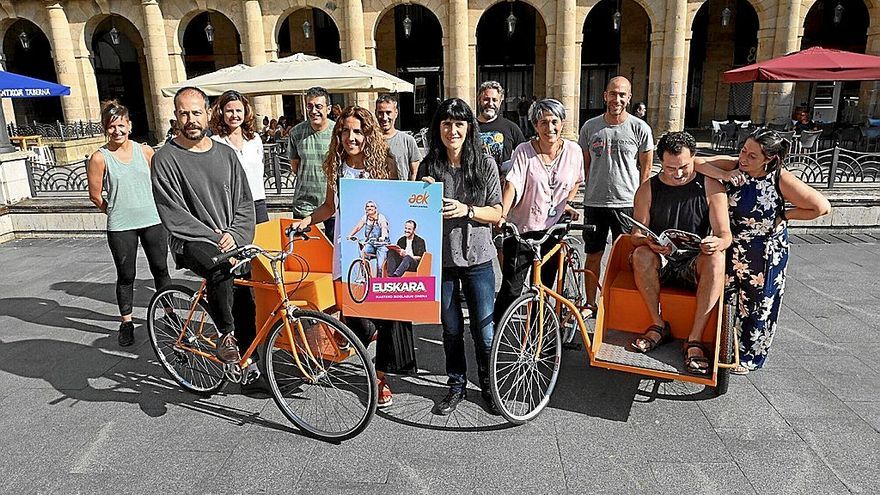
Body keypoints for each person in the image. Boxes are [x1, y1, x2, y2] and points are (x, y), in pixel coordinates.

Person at [287, 106, 400, 407]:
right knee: (355, 317)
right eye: (345, 131)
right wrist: (307, 220)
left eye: (358, 131)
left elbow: (400, 204)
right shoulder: (336, 167)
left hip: (376, 255)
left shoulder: (384, 165)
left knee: (382, 318)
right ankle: (357, 343)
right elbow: (329, 207)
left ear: (369, 134)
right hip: (346, 253)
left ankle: (379, 378)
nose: (351, 137)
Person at [695, 128, 831, 374]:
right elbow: (696, 162)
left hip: (764, 251)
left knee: (758, 303)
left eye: (753, 156)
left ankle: (748, 356)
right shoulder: (736, 164)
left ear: (769, 158)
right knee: (725, 297)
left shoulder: (780, 178)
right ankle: (721, 346)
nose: (744, 158)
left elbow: (821, 207)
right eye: (744, 150)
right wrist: (724, 174)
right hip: (732, 245)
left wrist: (785, 215)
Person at [151, 86, 255, 364]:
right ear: (175, 116)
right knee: (220, 267)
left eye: (196, 112)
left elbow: (245, 201)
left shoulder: (226, 155)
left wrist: (235, 234)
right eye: (184, 113)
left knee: (248, 293)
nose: (191, 119)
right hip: (191, 241)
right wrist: (215, 236)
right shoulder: (164, 159)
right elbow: (173, 212)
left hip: (230, 237)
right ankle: (225, 335)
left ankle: (252, 365)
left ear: (209, 113)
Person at [417, 98, 503, 416]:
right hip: (443, 260)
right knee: (451, 328)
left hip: (479, 258)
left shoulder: (485, 163)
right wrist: (421, 193)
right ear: (438, 128)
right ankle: (456, 385)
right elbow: (416, 212)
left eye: (459, 124)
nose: (452, 130)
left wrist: (467, 209)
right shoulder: (429, 166)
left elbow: (497, 212)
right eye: (446, 124)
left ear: (469, 128)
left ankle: (489, 386)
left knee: (484, 329)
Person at [627, 132, 731, 375]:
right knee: (641, 253)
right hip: (661, 260)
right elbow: (635, 234)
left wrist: (715, 243)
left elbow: (725, 234)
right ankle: (658, 324)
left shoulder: (711, 186)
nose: (678, 173)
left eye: (684, 166)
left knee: (717, 259)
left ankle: (694, 340)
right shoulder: (648, 188)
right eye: (670, 167)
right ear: (660, 163)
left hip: (694, 263)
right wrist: (650, 242)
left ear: (694, 157)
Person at [87, 101, 171, 347]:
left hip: (153, 220)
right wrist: (114, 210)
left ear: (130, 126)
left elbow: (160, 182)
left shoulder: (145, 152)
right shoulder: (99, 158)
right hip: (121, 226)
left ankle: (169, 314)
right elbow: (95, 195)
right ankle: (126, 322)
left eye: (121, 125)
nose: (117, 131)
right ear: (105, 129)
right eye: (112, 127)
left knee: (161, 270)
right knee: (126, 275)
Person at [495, 98, 584, 323]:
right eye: (543, 122)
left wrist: (567, 203)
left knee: (544, 287)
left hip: (554, 230)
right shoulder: (523, 150)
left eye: (554, 121)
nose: (549, 128)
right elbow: (512, 184)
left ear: (562, 123)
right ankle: (495, 336)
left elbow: (575, 182)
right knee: (512, 287)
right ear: (535, 125)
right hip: (523, 228)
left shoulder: (574, 151)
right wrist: (502, 215)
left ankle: (539, 338)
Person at [578, 76, 654, 315]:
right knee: (593, 255)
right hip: (594, 203)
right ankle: (590, 303)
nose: (617, 99)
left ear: (629, 98)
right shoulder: (590, 127)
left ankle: (623, 306)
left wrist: (641, 204)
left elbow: (646, 170)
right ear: (605, 95)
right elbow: (585, 166)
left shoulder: (640, 128)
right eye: (613, 94)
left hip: (626, 204)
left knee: (627, 258)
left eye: (622, 95)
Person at [210, 90, 269, 224]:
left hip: (257, 201)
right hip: (231, 206)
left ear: (245, 112)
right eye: (229, 111)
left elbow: (261, 165)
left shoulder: (255, 139)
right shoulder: (215, 142)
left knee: (264, 242)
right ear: (221, 113)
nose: (234, 115)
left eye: (238, 110)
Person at [289, 87, 336, 238]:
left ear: (328, 109)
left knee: (333, 253)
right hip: (304, 205)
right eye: (310, 106)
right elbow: (295, 166)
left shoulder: (338, 132)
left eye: (318, 106)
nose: (313, 110)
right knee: (302, 255)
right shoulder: (296, 133)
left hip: (332, 206)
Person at [475, 81, 526, 175]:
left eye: (494, 100)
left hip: (503, 187)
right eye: (486, 99)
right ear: (479, 100)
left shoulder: (511, 128)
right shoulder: (468, 128)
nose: (490, 104)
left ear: (500, 102)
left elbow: (525, 156)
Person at [375, 94, 422, 180]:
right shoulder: (370, 140)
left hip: (402, 191)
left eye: (388, 113)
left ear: (396, 113)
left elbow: (415, 172)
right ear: (376, 113)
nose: (384, 118)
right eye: (380, 113)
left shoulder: (408, 140)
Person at [346, 200, 390, 276]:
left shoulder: (381, 217)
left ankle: (378, 282)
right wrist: (350, 235)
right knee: (362, 254)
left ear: (375, 209)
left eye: (372, 206)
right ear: (365, 209)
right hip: (371, 243)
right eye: (368, 206)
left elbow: (384, 227)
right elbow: (358, 227)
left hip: (382, 244)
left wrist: (383, 236)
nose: (369, 208)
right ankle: (366, 277)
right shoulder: (365, 218)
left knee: (380, 266)